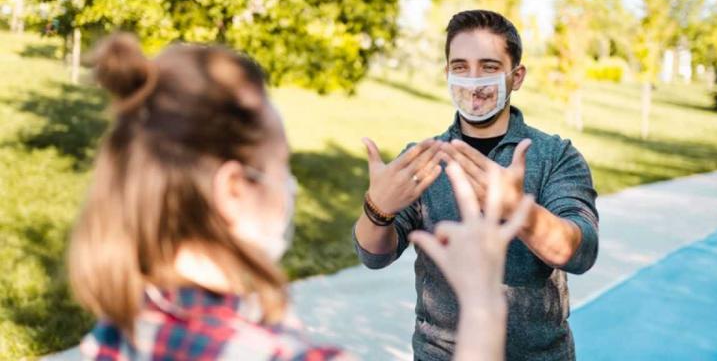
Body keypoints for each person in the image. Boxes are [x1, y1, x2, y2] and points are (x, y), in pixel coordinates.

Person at [68, 33, 533, 360]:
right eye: (280, 166)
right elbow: (372, 253)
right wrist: (481, 303)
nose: (290, 186)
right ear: (234, 191)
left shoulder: (115, 332)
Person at [353, 9, 600, 360]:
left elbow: (581, 252)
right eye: (460, 67)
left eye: (488, 67)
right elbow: (373, 256)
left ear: (516, 77)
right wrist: (377, 209)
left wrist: (518, 210)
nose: (474, 81)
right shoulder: (422, 159)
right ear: (447, 74)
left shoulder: (555, 155)